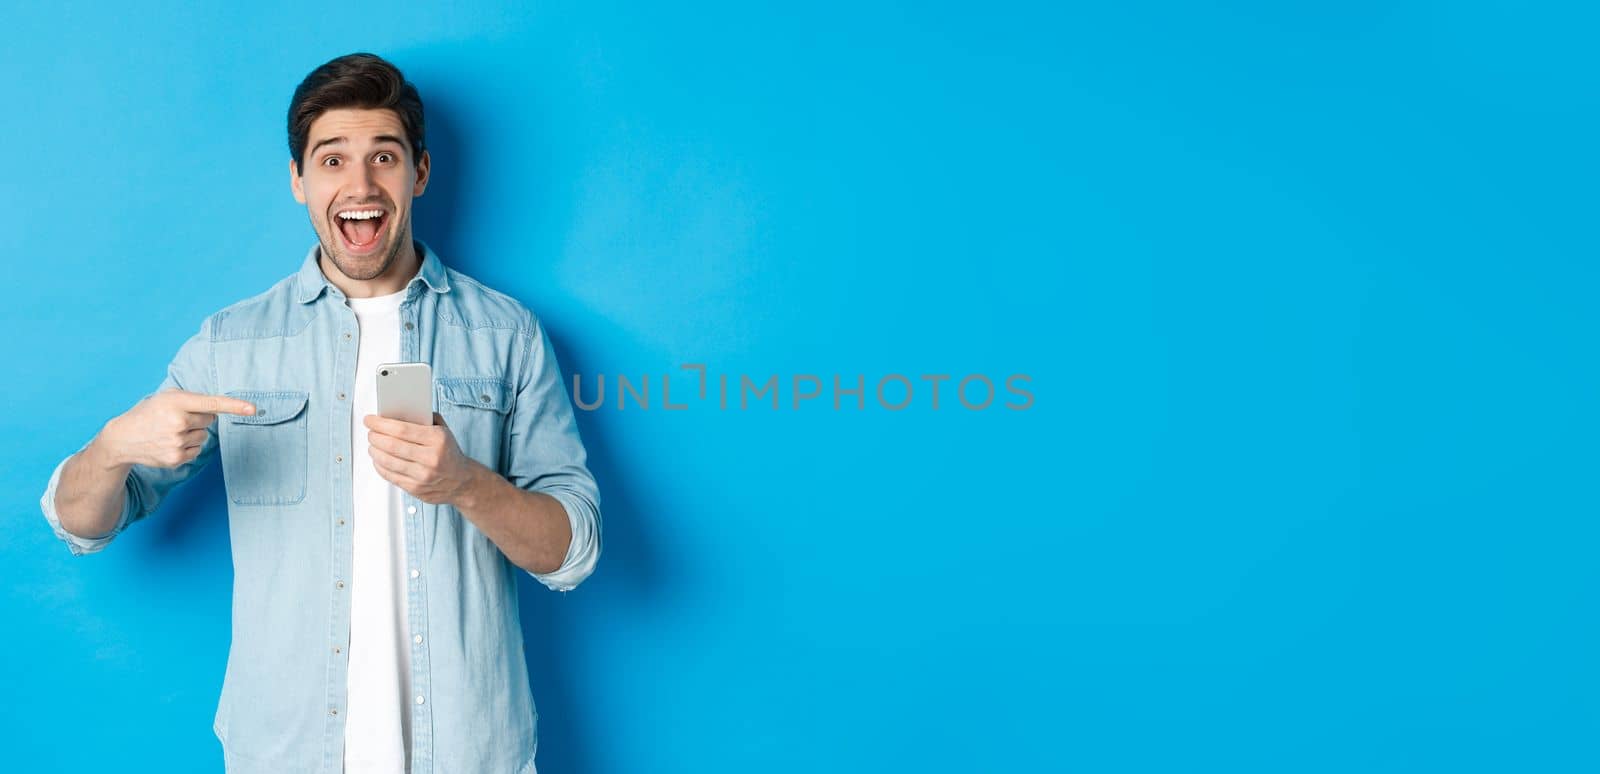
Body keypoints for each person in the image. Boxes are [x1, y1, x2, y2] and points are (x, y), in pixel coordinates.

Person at [38, 52, 601, 774]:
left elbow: (574, 550)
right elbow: (79, 524)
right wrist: (113, 448)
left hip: (470, 752)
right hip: (285, 753)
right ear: (299, 180)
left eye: (384, 158)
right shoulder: (232, 343)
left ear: (419, 173)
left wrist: (463, 483)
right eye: (332, 160)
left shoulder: (507, 335)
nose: (360, 185)